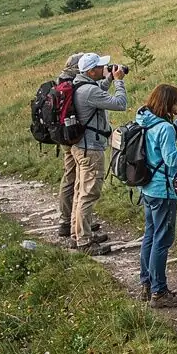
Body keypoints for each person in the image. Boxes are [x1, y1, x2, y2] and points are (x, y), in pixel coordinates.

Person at [135, 84, 177, 308]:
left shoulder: (145, 120)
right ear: (169, 103)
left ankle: (146, 283)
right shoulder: (165, 129)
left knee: (150, 234)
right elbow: (170, 159)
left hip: (147, 186)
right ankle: (160, 292)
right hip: (163, 190)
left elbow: (158, 141)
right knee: (162, 238)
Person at [71, 53, 128, 254]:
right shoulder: (88, 91)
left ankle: (76, 233)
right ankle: (84, 241)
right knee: (88, 194)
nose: (103, 69)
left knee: (80, 192)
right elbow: (120, 104)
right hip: (91, 149)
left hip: (80, 147)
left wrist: (109, 79)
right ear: (90, 71)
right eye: (100, 67)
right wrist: (119, 82)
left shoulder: (80, 85)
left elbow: (96, 92)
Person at [56, 52, 82, 238]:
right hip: (75, 137)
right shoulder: (73, 84)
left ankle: (69, 220)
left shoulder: (60, 81)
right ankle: (72, 223)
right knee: (76, 178)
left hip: (64, 136)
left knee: (69, 176)